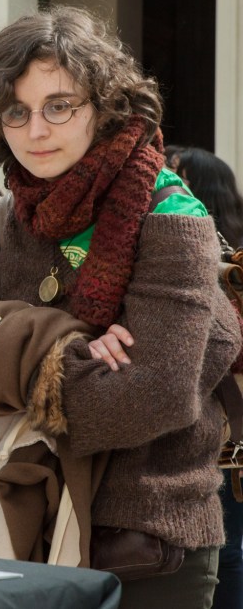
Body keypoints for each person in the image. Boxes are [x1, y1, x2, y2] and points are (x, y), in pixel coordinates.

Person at [0, 5, 239, 608]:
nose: (36, 130)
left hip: (146, 552)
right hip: (20, 536)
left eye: (58, 106)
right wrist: (69, 351)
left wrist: (7, 361)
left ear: (104, 103)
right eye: (17, 111)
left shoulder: (172, 218)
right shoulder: (1, 219)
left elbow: (157, 394)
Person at [167, 145, 243, 609]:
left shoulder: (227, 263)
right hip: (219, 430)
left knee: (226, 550)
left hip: (225, 434)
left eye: (176, 175)